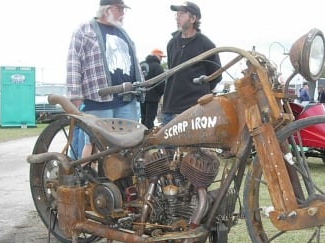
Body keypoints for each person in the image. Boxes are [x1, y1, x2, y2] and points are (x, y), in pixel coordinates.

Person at [66, 0, 143, 159]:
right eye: (120, 9)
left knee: (129, 144)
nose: (123, 13)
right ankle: (86, 179)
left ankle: (122, 182)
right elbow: (73, 62)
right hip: (98, 99)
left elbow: (134, 61)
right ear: (107, 9)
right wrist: (75, 95)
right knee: (95, 144)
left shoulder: (123, 33)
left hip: (126, 99)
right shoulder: (84, 30)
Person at [161, 2, 222, 125]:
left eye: (182, 14)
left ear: (193, 18)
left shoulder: (206, 44)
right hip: (171, 108)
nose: (177, 17)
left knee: (193, 145)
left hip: (195, 109)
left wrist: (198, 90)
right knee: (168, 145)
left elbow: (216, 75)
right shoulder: (171, 43)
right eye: (177, 14)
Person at [139, 48, 166, 129]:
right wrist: (160, 93)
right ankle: (148, 137)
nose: (161, 59)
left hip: (140, 96)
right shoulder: (157, 67)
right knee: (150, 120)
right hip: (152, 98)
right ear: (155, 56)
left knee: (143, 118)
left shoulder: (141, 64)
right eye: (160, 56)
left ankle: (141, 135)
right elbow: (161, 84)